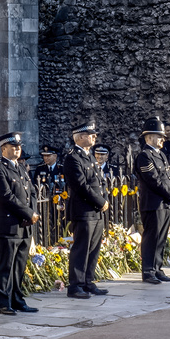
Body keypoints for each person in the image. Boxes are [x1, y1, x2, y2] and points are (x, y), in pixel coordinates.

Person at [0, 131, 38, 316]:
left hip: (23, 225)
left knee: (19, 266)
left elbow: (31, 191)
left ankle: (17, 299)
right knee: (5, 266)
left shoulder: (21, 167)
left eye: (18, 146)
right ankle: (3, 303)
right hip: (8, 226)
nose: (17, 149)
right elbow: (6, 197)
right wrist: (28, 212)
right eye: (13, 147)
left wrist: (32, 212)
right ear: (3, 149)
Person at [62, 120, 109, 299]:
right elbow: (81, 186)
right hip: (83, 210)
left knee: (94, 248)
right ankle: (75, 285)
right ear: (80, 137)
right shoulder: (72, 158)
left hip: (95, 210)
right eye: (91, 135)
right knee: (82, 248)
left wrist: (103, 200)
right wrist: (99, 201)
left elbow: (99, 181)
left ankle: (88, 281)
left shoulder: (89, 156)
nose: (94, 137)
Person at [134, 117, 170, 285]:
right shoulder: (145, 156)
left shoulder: (160, 154)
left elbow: (168, 176)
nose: (162, 139)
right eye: (159, 136)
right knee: (151, 237)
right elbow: (154, 180)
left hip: (164, 203)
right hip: (153, 203)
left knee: (161, 237)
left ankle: (157, 268)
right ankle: (148, 271)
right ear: (149, 137)